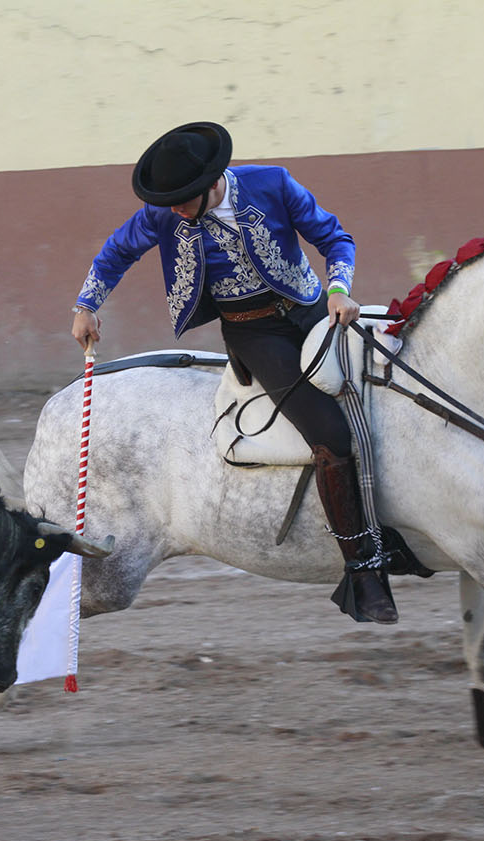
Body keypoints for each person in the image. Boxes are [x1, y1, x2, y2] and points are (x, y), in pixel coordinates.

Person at [69, 121, 398, 624]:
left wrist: (339, 289)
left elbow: (335, 238)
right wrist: (87, 304)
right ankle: (362, 569)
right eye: (169, 200)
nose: (174, 209)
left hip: (314, 311)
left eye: (183, 198)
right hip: (255, 335)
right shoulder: (162, 215)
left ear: (213, 181)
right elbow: (117, 252)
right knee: (331, 434)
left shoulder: (274, 184)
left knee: (389, 392)